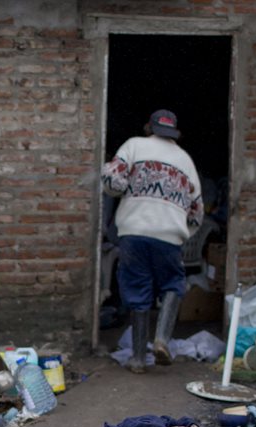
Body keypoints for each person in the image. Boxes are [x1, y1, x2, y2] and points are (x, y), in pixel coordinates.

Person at [101, 109, 203, 373]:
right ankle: (161, 339)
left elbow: (111, 180)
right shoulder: (185, 160)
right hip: (169, 236)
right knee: (173, 283)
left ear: (149, 127)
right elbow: (196, 211)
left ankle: (137, 358)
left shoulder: (134, 145)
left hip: (133, 232)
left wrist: (124, 191)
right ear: (174, 133)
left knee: (137, 289)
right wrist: (180, 230)